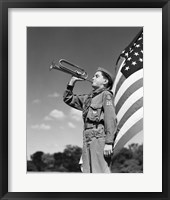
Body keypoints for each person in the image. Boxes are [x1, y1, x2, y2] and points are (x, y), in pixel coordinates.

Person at [63, 67, 117, 173]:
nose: (93, 78)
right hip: (87, 138)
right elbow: (68, 98)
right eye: (93, 76)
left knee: (99, 172)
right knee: (87, 172)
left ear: (105, 81)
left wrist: (109, 142)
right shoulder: (88, 98)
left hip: (99, 137)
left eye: (97, 76)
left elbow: (110, 118)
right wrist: (72, 82)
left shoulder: (106, 95)